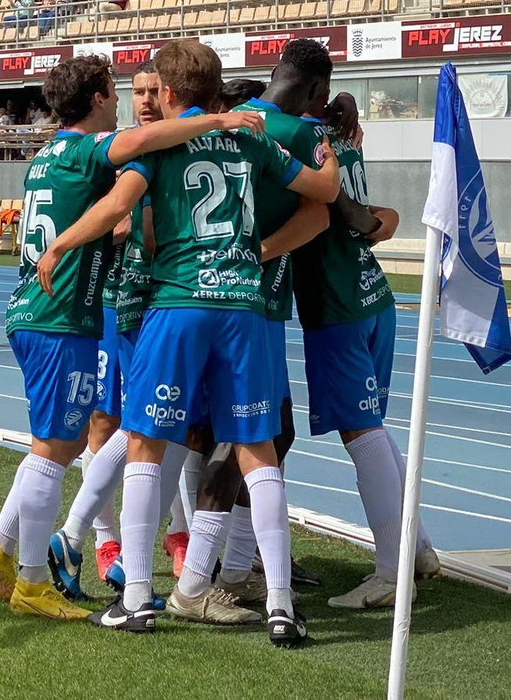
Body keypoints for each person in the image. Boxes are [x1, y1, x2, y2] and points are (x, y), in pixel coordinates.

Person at [36, 40, 340, 644]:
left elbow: (119, 206)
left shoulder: (165, 144)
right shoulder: (253, 139)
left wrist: (62, 243)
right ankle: (279, 603)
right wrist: (329, 158)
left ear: (169, 94)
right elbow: (323, 194)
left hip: (177, 302)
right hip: (245, 305)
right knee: (258, 449)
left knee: (146, 441)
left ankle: (138, 597)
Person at [0, 54, 270, 622]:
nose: (135, 100)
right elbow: (132, 170)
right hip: (67, 317)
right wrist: (219, 121)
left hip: (48, 313)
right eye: (124, 90)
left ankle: (3, 550)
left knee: (68, 441)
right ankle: (36, 575)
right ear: (102, 95)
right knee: (63, 446)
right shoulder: (90, 150)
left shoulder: (45, 155)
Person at [165, 39, 339, 627]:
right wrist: (260, 253)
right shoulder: (291, 132)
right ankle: (202, 578)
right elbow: (323, 207)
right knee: (246, 439)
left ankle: (220, 569)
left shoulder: (225, 123)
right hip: (250, 305)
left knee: (209, 434)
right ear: (315, 91)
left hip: (189, 293)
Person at [297, 93, 440, 609]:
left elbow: (330, 215)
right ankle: (417, 547)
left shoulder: (302, 143)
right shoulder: (341, 142)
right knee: (374, 430)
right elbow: (374, 216)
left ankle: (390, 572)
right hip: (372, 295)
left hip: (337, 305)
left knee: (363, 434)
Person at [46, 60, 163, 599]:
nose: (142, 100)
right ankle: (101, 540)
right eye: (134, 91)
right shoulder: (116, 150)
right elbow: (114, 218)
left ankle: (163, 540)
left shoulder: (156, 144)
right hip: (122, 302)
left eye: (150, 91)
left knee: (163, 425)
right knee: (113, 420)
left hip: (154, 301)